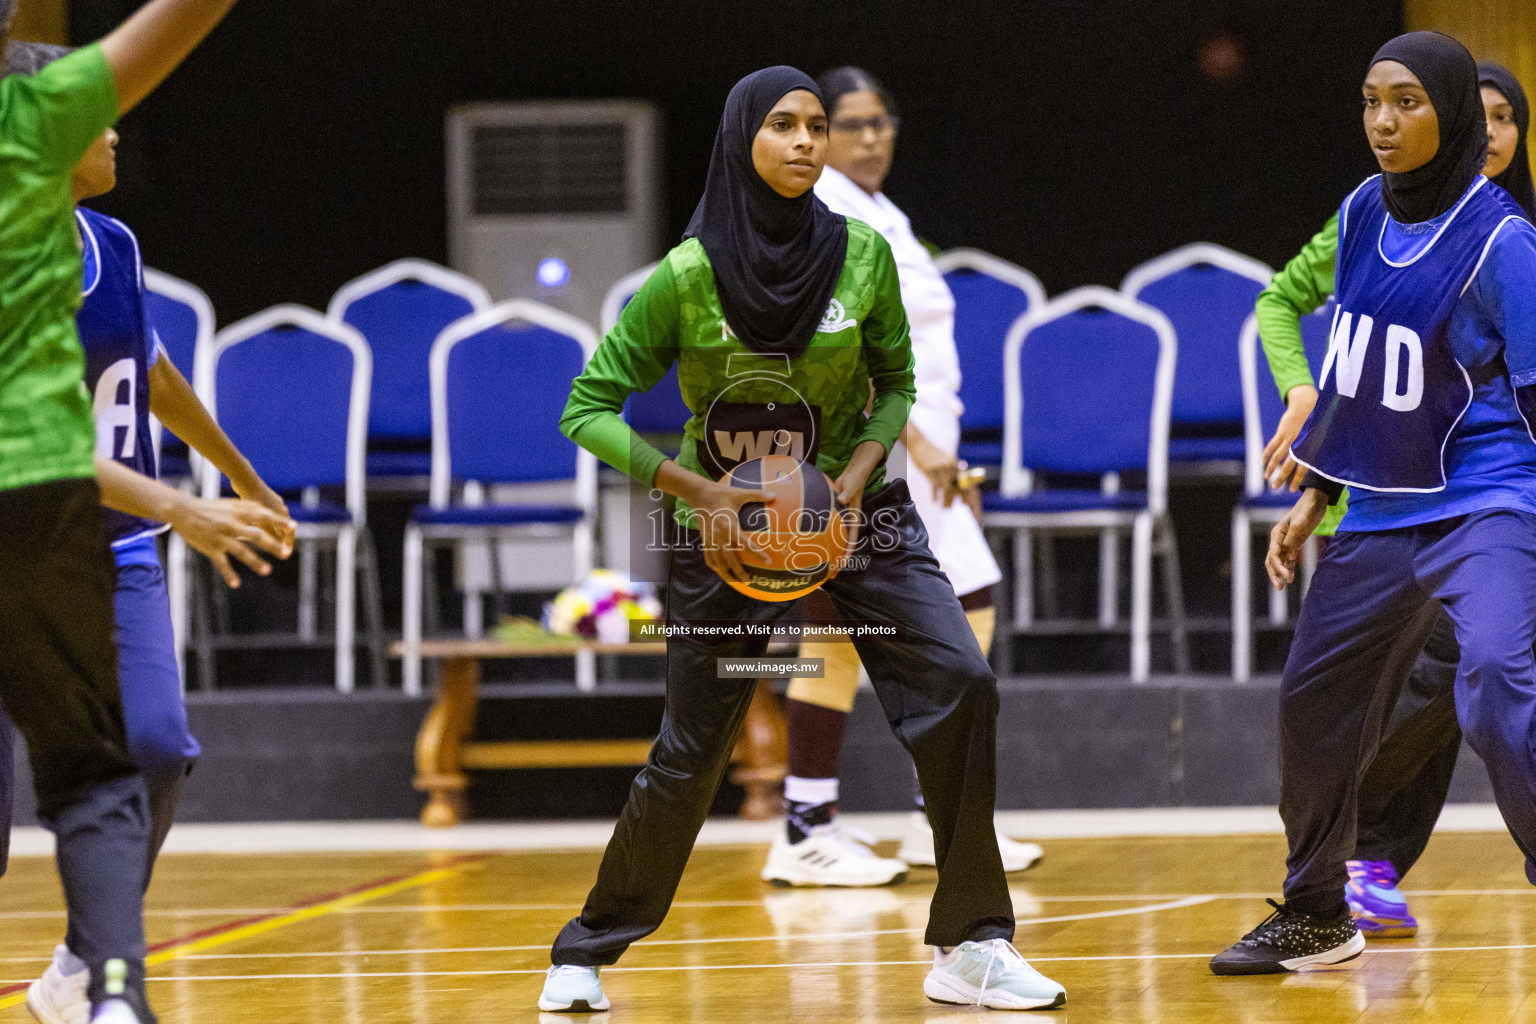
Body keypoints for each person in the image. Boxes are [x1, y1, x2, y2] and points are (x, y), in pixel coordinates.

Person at [541, 67, 1066, 1013]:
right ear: (743, 138)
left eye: (815, 126)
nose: (805, 142)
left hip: (862, 516)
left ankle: (971, 943)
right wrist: (695, 489)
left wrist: (860, 477)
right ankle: (585, 949)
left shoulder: (863, 253)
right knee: (693, 750)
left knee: (961, 678)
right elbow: (587, 406)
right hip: (725, 529)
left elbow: (897, 382)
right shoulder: (686, 274)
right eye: (782, 125)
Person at [1211, 32, 1536, 975]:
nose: (1383, 123)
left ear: (1454, 116)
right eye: (1370, 102)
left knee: (1496, 682)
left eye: (1407, 103)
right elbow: (1357, 375)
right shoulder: (1360, 211)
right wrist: (1316, 485)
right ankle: (1317, 913)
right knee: (1314, 705)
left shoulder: (1505, 242)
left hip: (1485, 499)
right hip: (1384, 506)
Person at [0, 40, 294, 1024]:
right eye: (99, 113)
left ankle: (87, 966)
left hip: (116, 554)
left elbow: (154, 374)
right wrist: (186, 508)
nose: (118, 127)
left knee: (159, 748)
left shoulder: (114, 246)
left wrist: (246, 476)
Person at [761, 66, 1041, 889]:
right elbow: (840, 349)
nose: (870, 136)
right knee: (834, 626)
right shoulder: (826, 216)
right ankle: (806, 829)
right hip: (871, 453)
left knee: (969, 601)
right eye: (850, 123)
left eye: (881, 120)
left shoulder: (882, 212)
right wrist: (913, 446)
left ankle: (935, 818)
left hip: (922, 456)